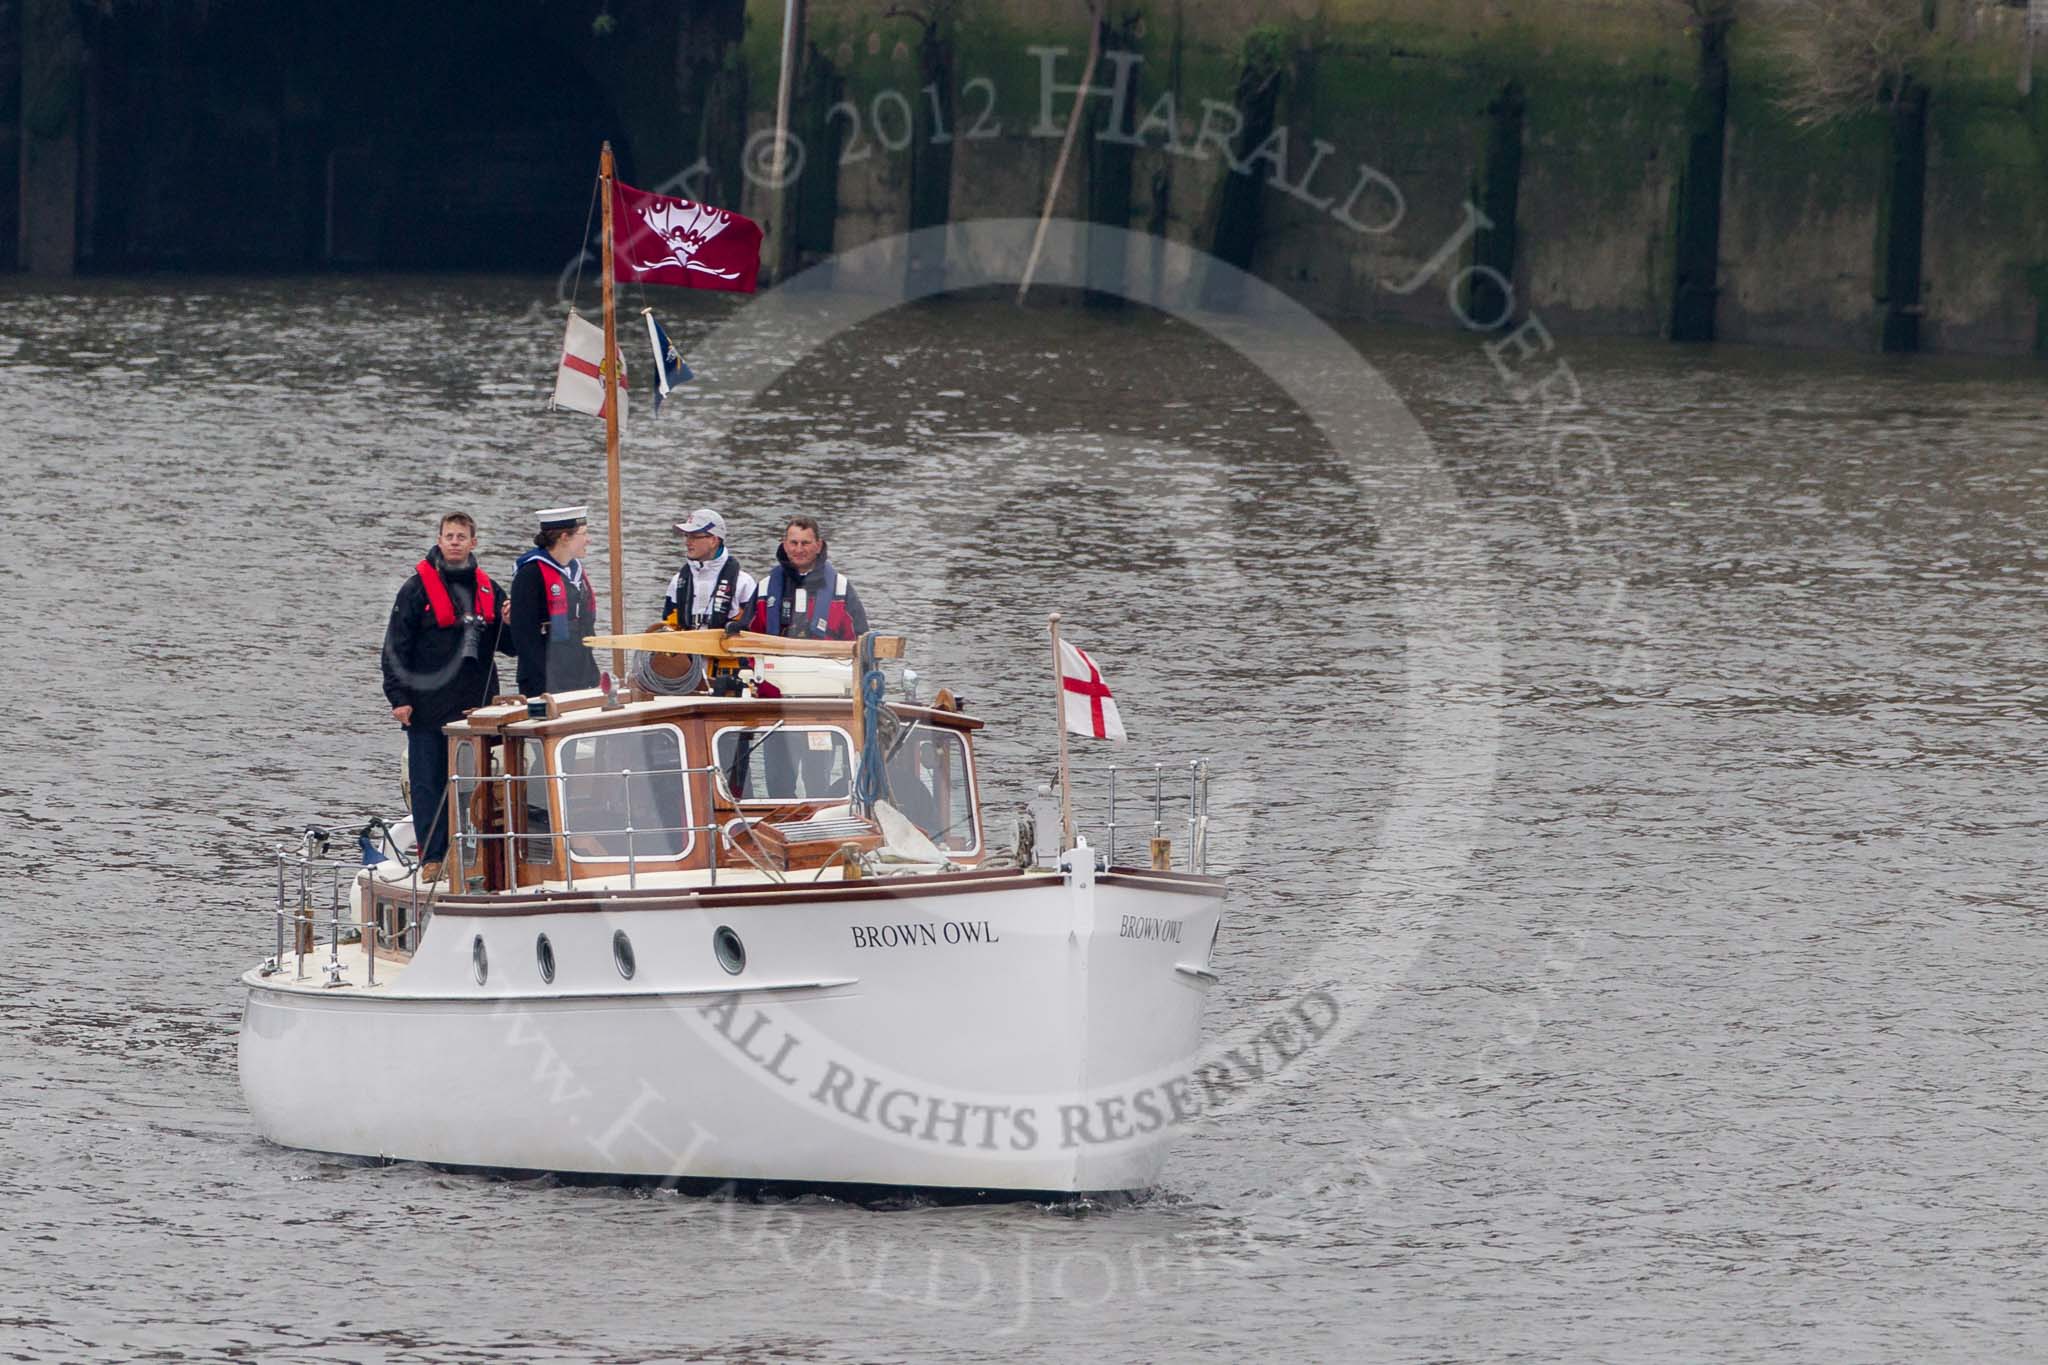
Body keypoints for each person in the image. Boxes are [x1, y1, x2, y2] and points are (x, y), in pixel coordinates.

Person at [380, 512, 514, 878]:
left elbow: (511, 648)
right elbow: (395, 648)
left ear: (473, 543)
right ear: (439, 540)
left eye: (461, 536)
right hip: (426, 707)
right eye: (449, 536)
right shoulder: (414, 590)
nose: (454, 542)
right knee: (428, 785)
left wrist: (509, 621)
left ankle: (479, 856)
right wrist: (399, 699)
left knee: (479, 788)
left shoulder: (490, 590)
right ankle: (433, 857)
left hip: (474, 706)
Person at [509, 505, 602, 697]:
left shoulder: (575, 572)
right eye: (583, 534)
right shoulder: (531, 573)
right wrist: (544, 683)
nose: (588, 539)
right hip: (545, 677)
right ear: (565, 538)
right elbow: (524, 635)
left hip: (579, 672)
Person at [747, 514, 869, 640]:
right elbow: (747, 635)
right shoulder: (765, 587)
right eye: (794, 543)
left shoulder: (841, 588)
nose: (799, 550)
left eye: (805, 543)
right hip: (776, 657)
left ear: (818, 546)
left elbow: (861, 639)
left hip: (828, 658)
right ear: (784, 545)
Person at [660, 507, 757, 631]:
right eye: (686, 536)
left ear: (713, 540)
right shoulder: (678, 581)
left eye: (694, 537)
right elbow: (668, 622)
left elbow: (753, 627)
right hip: (686, 647)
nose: (687, 542)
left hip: (724, 647)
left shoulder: (743, 582)